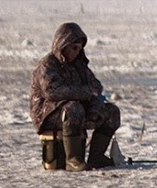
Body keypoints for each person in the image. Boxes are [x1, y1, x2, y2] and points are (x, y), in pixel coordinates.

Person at [30, 22, 121, 171]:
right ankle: (73, 159)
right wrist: (84, 93)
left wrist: (94, 109)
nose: (77, 52)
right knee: (73, 108)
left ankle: (96, 157)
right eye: (74, 48)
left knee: (111, 112)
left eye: (79, 48)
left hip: (73, 109)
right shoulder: (47, 65)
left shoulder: (79, 66)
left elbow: (95, 87)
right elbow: (52, 92)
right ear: (63, 45)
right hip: (47, 113)